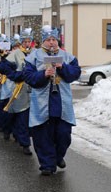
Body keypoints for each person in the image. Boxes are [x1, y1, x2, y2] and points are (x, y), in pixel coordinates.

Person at [23, 25, 81, 175]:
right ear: (43, 41)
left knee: (63, 136)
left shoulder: (67, 56)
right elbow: (28, 77)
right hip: (41, 104)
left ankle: (58, 156)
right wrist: (43, 74)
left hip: (62, 104)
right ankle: (47, 165)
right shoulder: (33, 57)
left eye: (53, 39)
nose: (51, 43)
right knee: (43, 137)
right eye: (48, 40)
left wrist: (63, 67)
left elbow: (75, 73)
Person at [0, 34, 33, 155]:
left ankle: (25, 137)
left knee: (30, 118)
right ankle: (24, 143)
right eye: (25, 42)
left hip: (35, 90)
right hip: (20, 89)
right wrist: (15, 76)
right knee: (19, 115)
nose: (27, 44)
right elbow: (2, 66)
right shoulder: (16, 54)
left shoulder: (36, 53)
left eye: (29, 41)